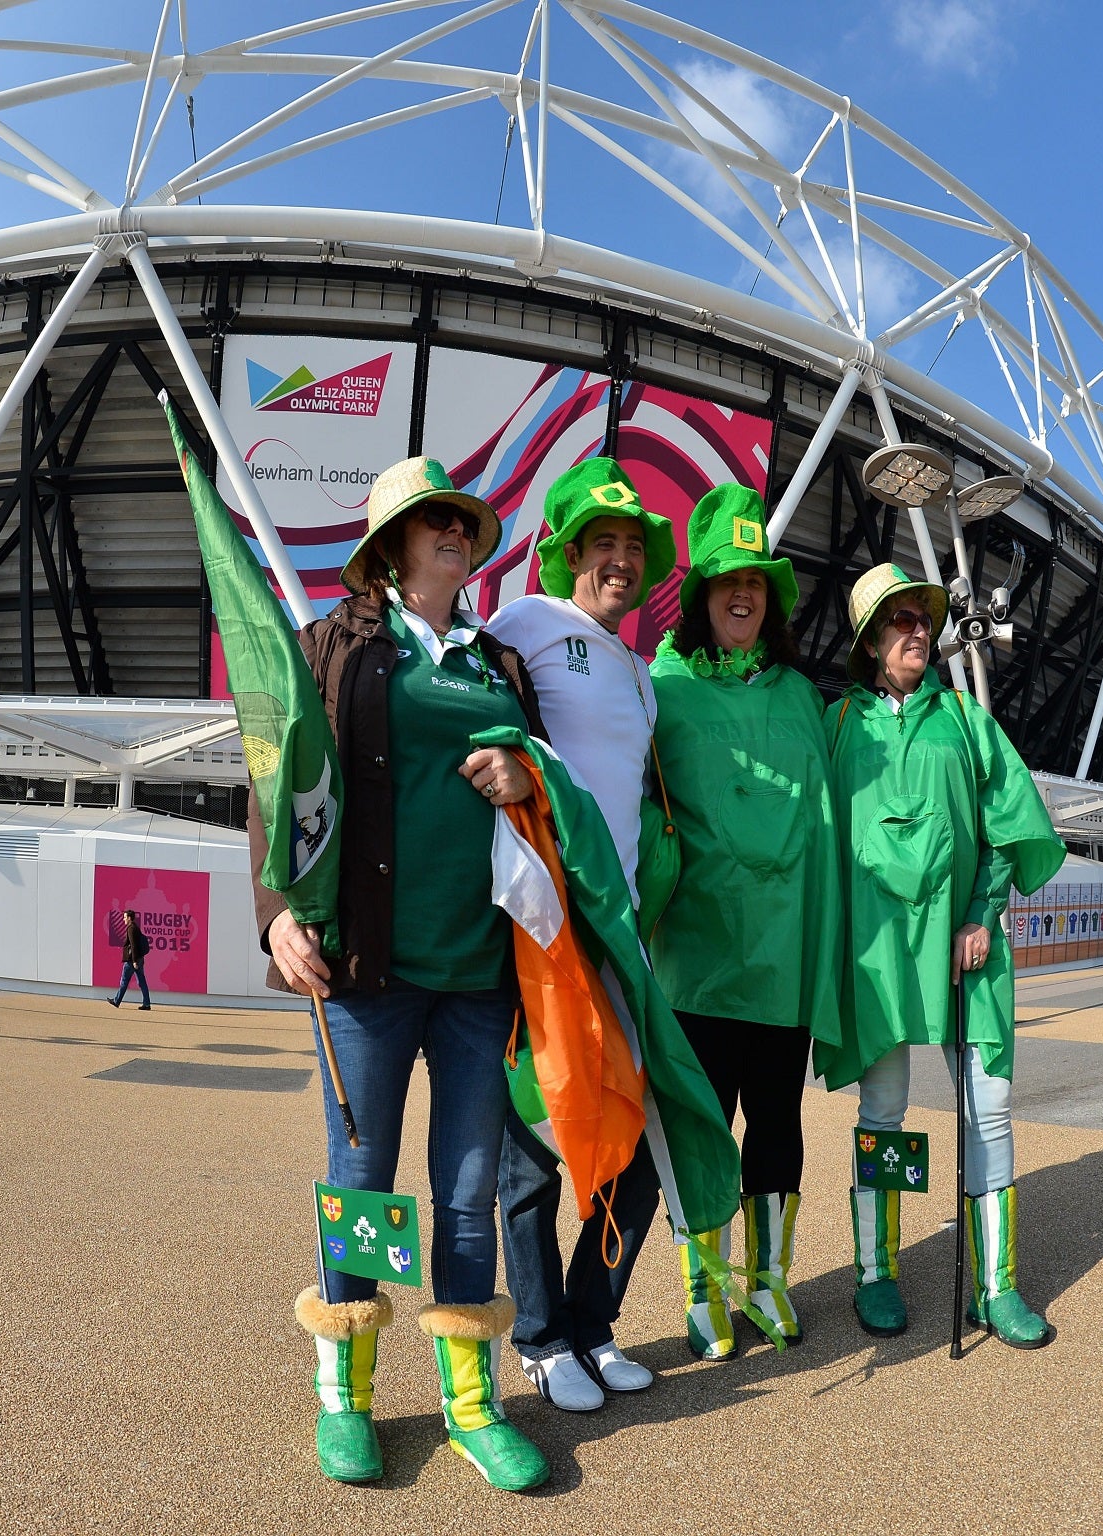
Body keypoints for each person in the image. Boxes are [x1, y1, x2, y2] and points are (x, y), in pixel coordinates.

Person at [257, 456, 552, 1491]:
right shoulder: (329, 646)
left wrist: (523, 777)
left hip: (478, 972)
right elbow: (276, 778)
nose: (452, 537)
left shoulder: (495, 660)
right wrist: (277, 916)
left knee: (469, 1194)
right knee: (362, 1181)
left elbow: (543, 788)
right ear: (387, 545)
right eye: (432, 523)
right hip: (368, 974)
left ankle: (470, 1408)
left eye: (461, 525)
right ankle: (346, 1399)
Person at [815, 562, 1067, 1349]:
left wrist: (984, 910)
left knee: (987, 1108)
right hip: (878, 955)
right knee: (882, 1113)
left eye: (922, 617)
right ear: (867, 641)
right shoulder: (838, 723)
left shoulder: (964, 717)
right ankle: (876, 1274)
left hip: (966, 947)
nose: (916, 629)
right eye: (897, 619)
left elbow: (1008, 820)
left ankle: (997, 1287)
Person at [484, 457, 675, 1410]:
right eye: (603, 545)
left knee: (629, 1153)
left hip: (621, 938)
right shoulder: (521, 624)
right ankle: (540, 1336)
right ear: (564, 555)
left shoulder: (643, 676)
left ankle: (594, 1325)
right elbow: (482, 736)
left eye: (634, 548)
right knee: (534, 1145)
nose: (620, 563)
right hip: (546, 932)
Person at [646, 484, 844, 1361]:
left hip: (781, 957)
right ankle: (704, 1290)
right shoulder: (662, 686)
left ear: (772, 598)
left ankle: (769, 1283)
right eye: (726, 578)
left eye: (756, 581)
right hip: (696, 957)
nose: (741, 594)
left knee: (777, 1127)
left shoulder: (805, 696)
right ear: (700, 594)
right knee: (701, 1129)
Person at [109, 909, 152, 1009]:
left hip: (132, 961)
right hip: (139, 959)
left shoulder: (131, 928)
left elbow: (133, 945)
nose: (123, 919)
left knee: (124, 981)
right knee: (142, 982)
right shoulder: (135, 927)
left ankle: (117, 1001)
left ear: (129, 918)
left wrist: (134, 961)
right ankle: (147, 1003)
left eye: (124, 917)